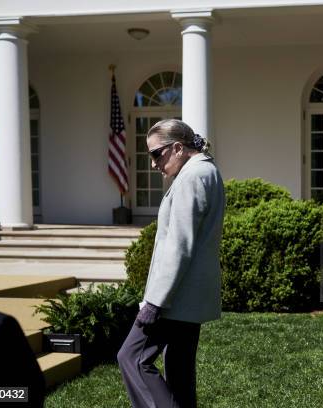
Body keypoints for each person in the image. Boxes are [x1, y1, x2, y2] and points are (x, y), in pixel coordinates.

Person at [117, 119, 225, 408]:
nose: (153, 164)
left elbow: (180, 245)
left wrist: (154, 302)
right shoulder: (206, 170)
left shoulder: (192, 177)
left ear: (178, 148)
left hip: (175, 298)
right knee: (179, 375)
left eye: (156, 154)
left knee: (132, 358)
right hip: (190, 296)